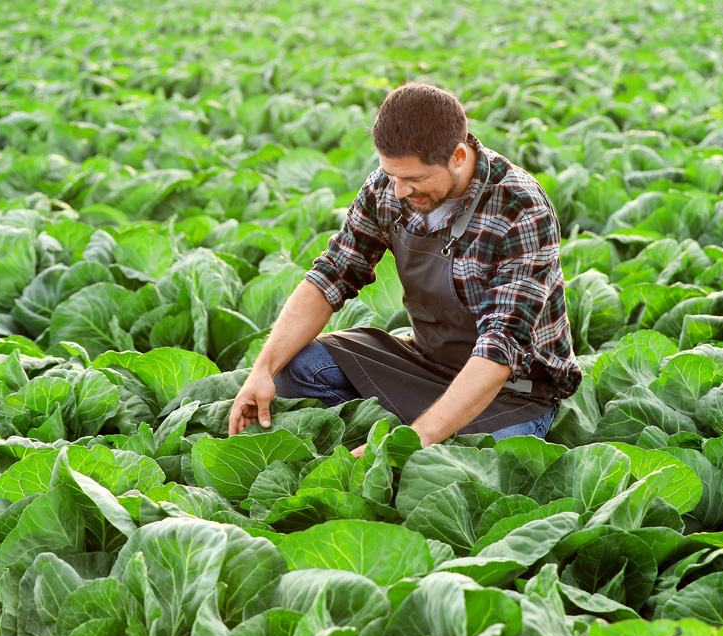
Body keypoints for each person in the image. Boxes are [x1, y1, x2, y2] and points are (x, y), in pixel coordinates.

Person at [228, 82, 582, 455]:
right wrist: (262, 370)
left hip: (511, 391)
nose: (398, 191)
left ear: (458, 156)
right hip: (424, 363)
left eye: (414, 180)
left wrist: (405, 445)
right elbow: (333, 274)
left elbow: (501, 347)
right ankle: (421, 429)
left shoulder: (520, 207)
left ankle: (419, 433)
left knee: (473, 462)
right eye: (392, 176)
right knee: (298, 366)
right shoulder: (389, 185)